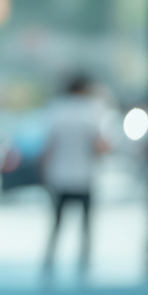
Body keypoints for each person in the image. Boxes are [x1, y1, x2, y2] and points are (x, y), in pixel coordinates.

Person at [40, 74, 109, 282]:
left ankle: (49, 261)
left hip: (59, 175)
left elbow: (48, 146)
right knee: (86, 224)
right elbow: (99, 145)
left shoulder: (56, 109)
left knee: (57, 223)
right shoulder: (91, 110)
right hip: (84, 176)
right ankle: (84, 262)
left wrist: (44, 171)